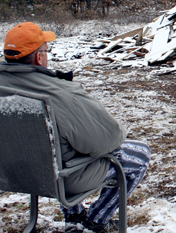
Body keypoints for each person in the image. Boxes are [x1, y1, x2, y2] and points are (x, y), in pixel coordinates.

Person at [0, 22, 151, 233]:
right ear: (38, 57)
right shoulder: (58, 94)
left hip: (12, 173)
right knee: (140, 155)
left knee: (62, 145)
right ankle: (96, 221)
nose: (48, 54)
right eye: (46, 49)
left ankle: (75, 216)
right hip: (59, 179)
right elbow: (107, 139)